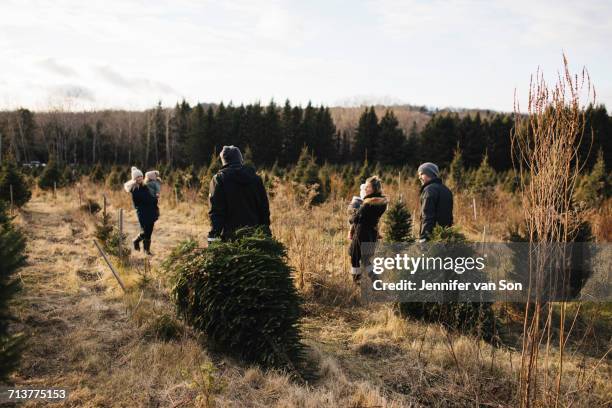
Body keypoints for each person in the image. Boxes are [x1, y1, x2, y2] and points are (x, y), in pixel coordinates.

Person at [208, 145, 270, 242]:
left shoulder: (219, 179)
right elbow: (264, 209)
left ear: (224, 161)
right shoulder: (256, 179)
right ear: (240, 159)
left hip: (231, 240)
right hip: (255, 237)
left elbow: (216, 213)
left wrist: (213, 239)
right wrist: (266, 234)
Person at [348, 176, 388, 282]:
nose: (365, 189)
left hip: (361, 233)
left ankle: (356, 281)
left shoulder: (367, 204)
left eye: (368, 187)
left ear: (374, 188)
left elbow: (354, 219)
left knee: (355, 257)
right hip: (372, 233)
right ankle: (377, 282)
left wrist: (353, 210)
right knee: (366, 260)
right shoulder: (382, 203)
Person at [124, 166, 159, 255]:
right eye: (137, 177)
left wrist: (155, 202)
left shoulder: (145, 186)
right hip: (143, 212)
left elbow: (151, 197)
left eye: (140, 176)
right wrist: (154, 198)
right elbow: (146, 199)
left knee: (149, 231)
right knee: (145, 231)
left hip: (150, 211)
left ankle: (146, 250)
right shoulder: (135, 189)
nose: (139, 178)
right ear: (134, 179)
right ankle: (136, 241)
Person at [417, 162, 453, 242]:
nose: (419, 177)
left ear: (429, 174)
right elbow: (450, 217)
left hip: (431, 238)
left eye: (421, 174)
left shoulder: (429, 190)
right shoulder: (446, 190)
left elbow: (427, 215)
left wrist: (424, 237)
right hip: (445, 237)